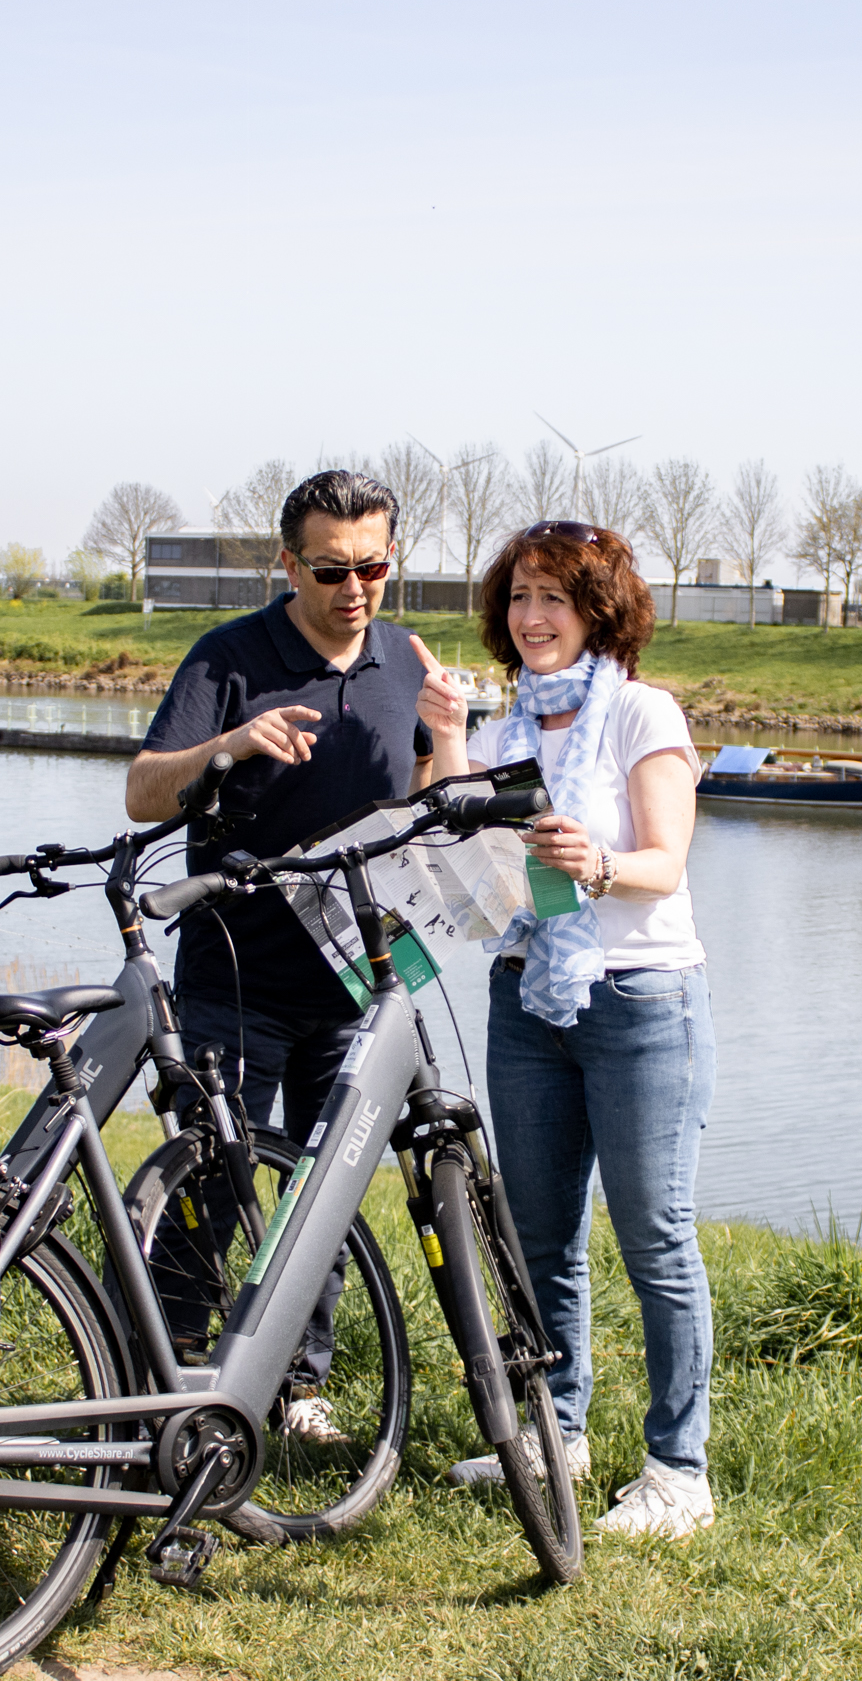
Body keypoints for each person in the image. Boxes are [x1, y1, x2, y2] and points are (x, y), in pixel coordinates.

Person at [126, 470, 467, 1432]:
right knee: (211, 1182)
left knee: (325, 1197)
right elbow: (143, 793)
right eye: (330, 570)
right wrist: (231, 744)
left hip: (360, 977)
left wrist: (448, 741)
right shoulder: (228, 656)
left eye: (374, 567)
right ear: (288, 564)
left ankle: (295, 1383)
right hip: (238, 974)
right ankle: (166, 1372)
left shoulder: (404, 658)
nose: (355, 588)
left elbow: (425, 795)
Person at [453, 519, 717, 1539]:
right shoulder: (504, 732)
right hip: (527, 1000)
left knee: (656, 1238)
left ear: (599, 611)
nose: (532, 617)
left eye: (554, 597)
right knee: (539, 1235)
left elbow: (665, 863)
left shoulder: (642, 712)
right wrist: (446, 736)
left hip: (640, 999)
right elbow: (458, 857)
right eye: (519, 596)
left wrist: (594, 864)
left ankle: (679, 1470)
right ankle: (555, 1431)